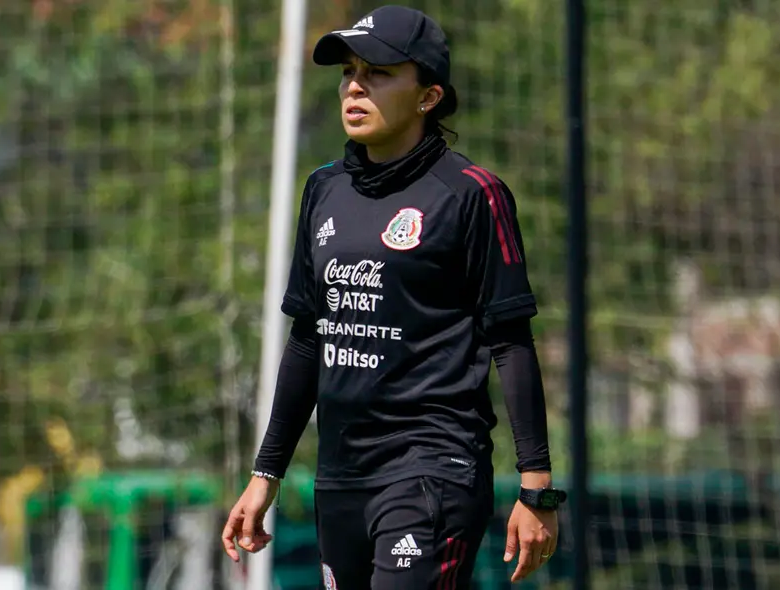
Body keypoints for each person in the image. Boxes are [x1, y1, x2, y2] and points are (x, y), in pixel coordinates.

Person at [220, 5, 567, 588]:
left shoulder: (472, 195)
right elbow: (310, 339)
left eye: (378, 72)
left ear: (429, 97)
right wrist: (266, 474)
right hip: (341, 475)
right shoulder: (324, 188)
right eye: (349, 71)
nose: (355, 85)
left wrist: (537, 487)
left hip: (432, 469)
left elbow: (511, 342)